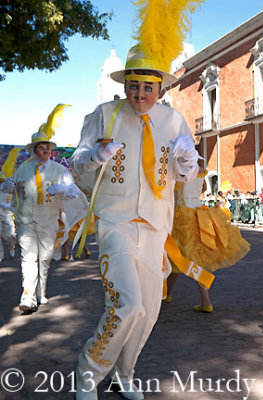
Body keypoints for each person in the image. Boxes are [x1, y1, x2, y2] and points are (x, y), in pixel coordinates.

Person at [70, 42, 200, 400]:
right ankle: (87, 373)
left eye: (148, 87)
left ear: (160, 88)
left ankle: (125, 375)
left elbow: (185, 171)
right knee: (127, 304)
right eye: (133, 85)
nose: (140, 94)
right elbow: (79, 161)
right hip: (116, 222)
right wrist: (96, 155)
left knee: (148, 311)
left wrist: (188, 160)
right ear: (124, 83)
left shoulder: (173, 120)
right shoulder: (105, 114)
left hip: (156, 226)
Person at [2, 104, 80, 313]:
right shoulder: (23, 168)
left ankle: (41, 291)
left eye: (48, 148)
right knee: (28, 257)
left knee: (44, 257)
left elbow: (73, 191)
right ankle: (27, 296)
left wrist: (62, 188)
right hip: (26, 220)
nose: (46, 151)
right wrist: (7, 186)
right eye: (42, 147)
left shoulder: (59, 169)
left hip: (48, 220)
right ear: (35, 149)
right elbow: (12, 188)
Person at [166, 165, 250, 311]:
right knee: (178, 258)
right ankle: (167, 294)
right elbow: (203, 188)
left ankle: (206, 301)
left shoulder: (179, 168)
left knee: (185, 258)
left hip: (182, 219)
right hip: (200, 216)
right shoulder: (200, 167)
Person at [0, 148, 20, 262]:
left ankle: (12, 247)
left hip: (7, 214)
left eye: (2, 180)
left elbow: (11, 190)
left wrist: (8, 185)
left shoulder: (8, 186)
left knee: (11, 234)